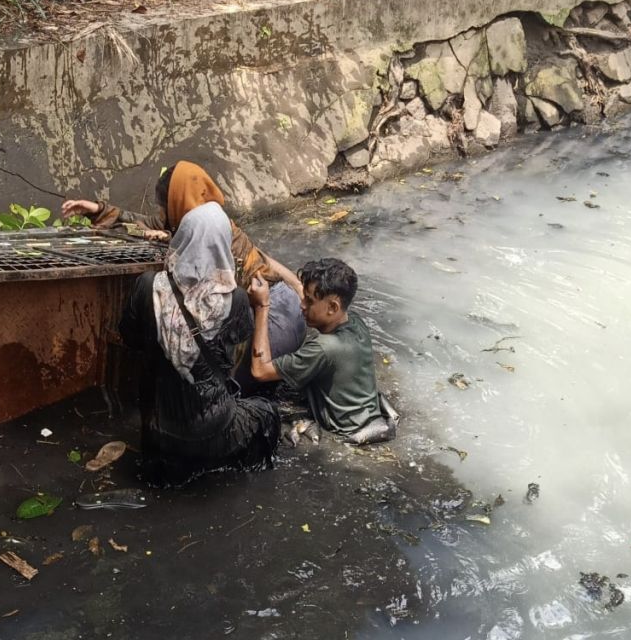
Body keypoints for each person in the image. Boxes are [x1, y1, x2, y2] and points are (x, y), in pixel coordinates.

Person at [62, 161, 308, 369]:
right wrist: (98, 210)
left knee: (195, 359)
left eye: (162, 206)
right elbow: (147, 223)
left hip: (271, 325)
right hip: (292, 313)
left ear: (177, 201)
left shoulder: (205, 232)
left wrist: (169, 242)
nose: (160, 212)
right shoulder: (214, 218)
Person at [119, 200, 280, 484]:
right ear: (223, 245)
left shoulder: (147, 286)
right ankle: (231, 475)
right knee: (268, 414)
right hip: (213, 429)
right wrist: (261, 305)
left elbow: (129, 337)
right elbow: (232, 360)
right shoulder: (235, 300)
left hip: (157, 430)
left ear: (182, 238)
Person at [247, 258, 398, 445]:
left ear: (333, 307)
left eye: (309, 301)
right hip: (367, 418)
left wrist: (262, 306)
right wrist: (258, 256)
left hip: (344, 434)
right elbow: (296, 284)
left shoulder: (323, 348)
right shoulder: (356, 322)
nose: (302, 305)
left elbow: (260, 371)